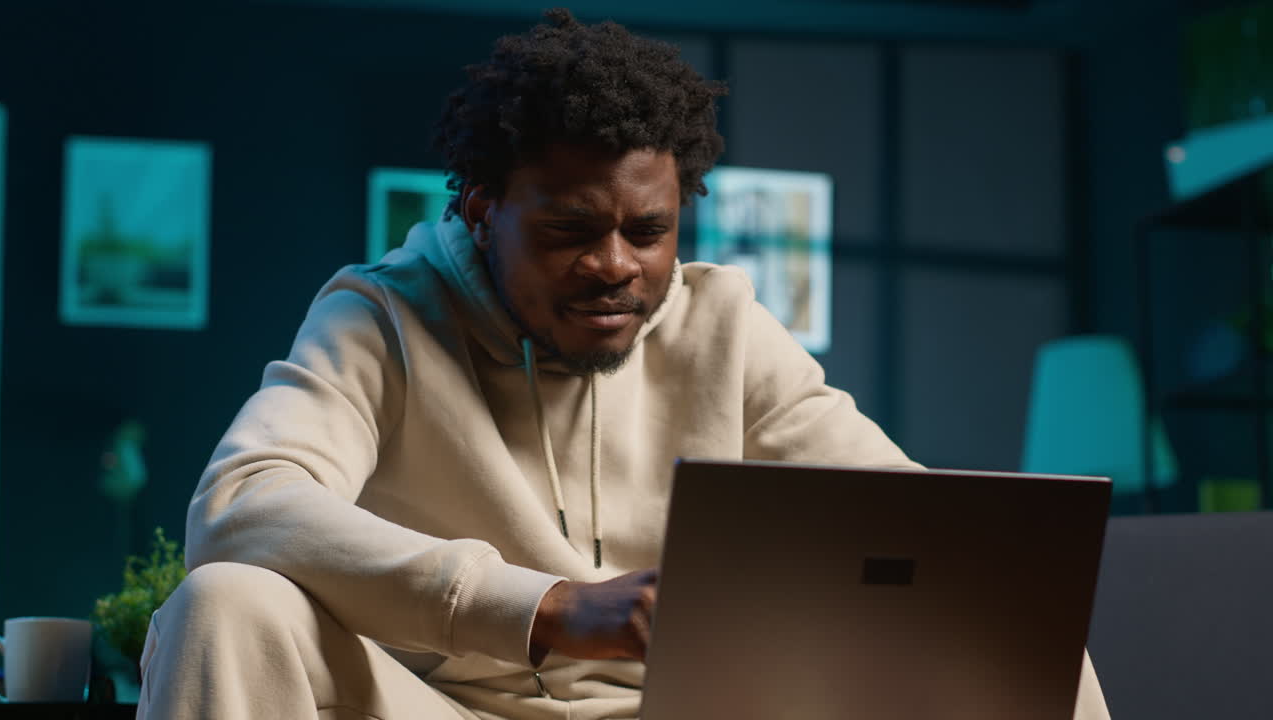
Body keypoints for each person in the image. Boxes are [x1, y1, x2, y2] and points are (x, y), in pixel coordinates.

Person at [135, 8, 1110, 719]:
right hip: (440, 710)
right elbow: (240, 507)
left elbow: (916, 528)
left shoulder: (719, 324)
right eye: (568, 231)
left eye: (647, 231)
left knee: (1026, 646)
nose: (614, 266)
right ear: (480, 207)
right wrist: (549, 607)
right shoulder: (383, 315)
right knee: (227, 600)